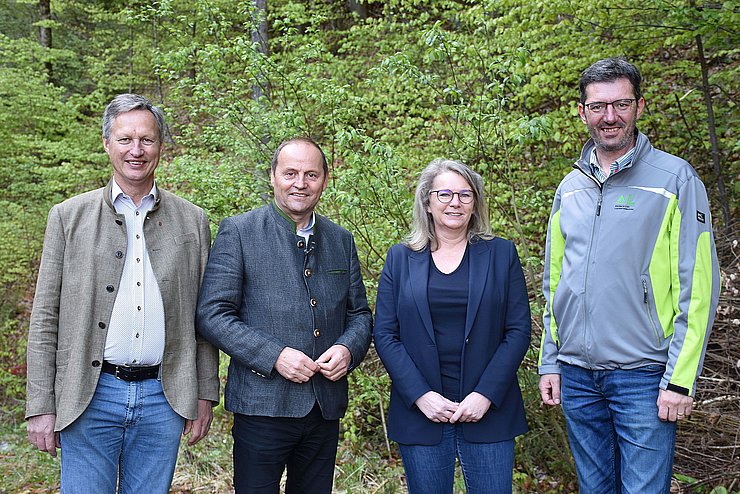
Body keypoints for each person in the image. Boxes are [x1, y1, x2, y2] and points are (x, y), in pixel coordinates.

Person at [538, 58, 721, 493]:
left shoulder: (675, 178)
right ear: (582, 112)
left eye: (620, 104)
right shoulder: (571, 187)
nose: (610, 117)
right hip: (577, 375)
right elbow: (555, 283)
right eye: (598, 106)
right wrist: (551, 359)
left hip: (643, 375)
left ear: (639, 106)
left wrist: (680, 378)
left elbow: (699, 286)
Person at [25, 93, 220, 493]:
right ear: (106, 143)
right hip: (88, 394)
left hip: (164, 397)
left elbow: (204, 318)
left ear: (161, 146)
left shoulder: (193, 220)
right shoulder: (68, 217)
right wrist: (41, 404)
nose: (137, 150)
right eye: (125, 139)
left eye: (147, 140)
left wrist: (204, 392)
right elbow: (45, 316)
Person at [195, 136, 372, 493]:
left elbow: (360, 315)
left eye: (311, 174)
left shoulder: (341, 239)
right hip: (263, 406)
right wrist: (274, 356)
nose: (300, 183)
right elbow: (212, 314)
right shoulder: (240, 231)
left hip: (324, 406)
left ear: (325, 179)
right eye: (290, 173)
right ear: (273, 176)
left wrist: (348, 350)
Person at [373, 159, 531, 493]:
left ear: (475, 204)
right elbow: (386, 335)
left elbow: (517, 330)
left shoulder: (501, 254)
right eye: (444, 194)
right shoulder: (399, 258)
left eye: (465, 195)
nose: (455, 202)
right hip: (421, 412)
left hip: (488, 410)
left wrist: (485, 394)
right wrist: (420, 396)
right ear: (427, 202)